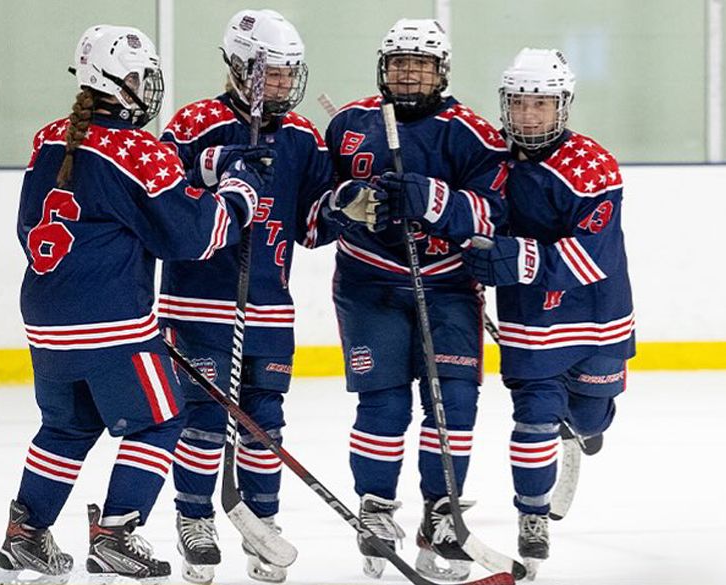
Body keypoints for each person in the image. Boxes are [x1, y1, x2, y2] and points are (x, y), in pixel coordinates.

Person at [0, 25, 274, 584]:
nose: (148, 88)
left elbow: (45, 221)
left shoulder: (49, 139)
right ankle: (117, 534)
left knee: (67, 429)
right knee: (162, 420)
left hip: (46, 318)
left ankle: (26, 534)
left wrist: (205, 169)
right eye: (142, 78)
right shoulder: (135, 150)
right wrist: (241, 192)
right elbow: (191, 235)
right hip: (113, 324)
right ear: (117, 82)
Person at [322, 18, 508, 581]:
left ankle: (442, 514)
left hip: (447, 283)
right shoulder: (349, 123)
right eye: (400, 63)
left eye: (421, 65)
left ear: (441, 72)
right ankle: (376, 508)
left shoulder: (473, 133)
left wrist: (434, 200)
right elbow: (315, 202)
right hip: (369, 282)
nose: (408, 74)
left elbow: (495, 214)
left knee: (453, 401)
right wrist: (346, 200)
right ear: (384, 68)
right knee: (383, 404)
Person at [157, 9, 338, 584]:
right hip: (196, 305)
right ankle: (194, 519)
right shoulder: (194, 123)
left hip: (269, 309)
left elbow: (312, 227)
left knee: (266, 426)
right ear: (238, 67)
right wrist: (217, 164)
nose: (281, 85)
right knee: (205, 421)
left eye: (288, 74)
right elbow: (161, 194)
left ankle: (263, 525)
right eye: (270, 73)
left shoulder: (304, 137)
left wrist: (345, 206)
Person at [462, 48, 634, 579]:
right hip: (530, 320)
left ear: (563, 105)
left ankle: (582, 426)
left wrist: (513, 258)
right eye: (519, 103)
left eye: (541, 104)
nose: (529, 115)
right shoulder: (491, 159)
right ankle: (532, 515)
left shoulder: (590, 165)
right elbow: (470, 214)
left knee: (589, 415)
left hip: (596, 317)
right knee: (533, 418)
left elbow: (592, 258)